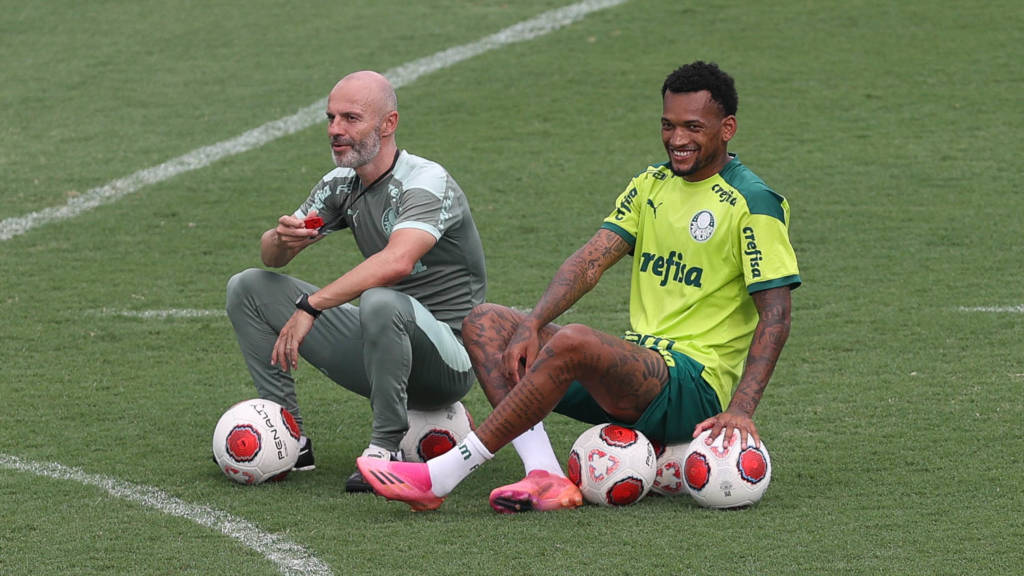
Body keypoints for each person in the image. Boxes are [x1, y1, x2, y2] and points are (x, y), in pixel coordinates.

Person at [357, 61, 801, 512]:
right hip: (636, 373)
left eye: (693, 127)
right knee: (486, 323)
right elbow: (590, 262)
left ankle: (442, 476)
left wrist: (740, 408)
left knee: (575, 341)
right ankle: (544, 474)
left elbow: (776, 315)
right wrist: (532, 323)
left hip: (693, 387)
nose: (676, 139)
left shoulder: (753, 202)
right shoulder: (652, 184)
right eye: (668, 125)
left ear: (727, 129)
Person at [225, 70, 487, 492]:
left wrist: (312, 305)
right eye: (331, 118)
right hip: (383, 349)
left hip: (449, 361)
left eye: (350, 118)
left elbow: (398, 261)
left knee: (380, 300)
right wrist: (281, 238)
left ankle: (386, 451)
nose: (335, 129)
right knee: (248, 288)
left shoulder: (426, 181)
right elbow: (271, 258)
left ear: (388, 124)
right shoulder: (341, 185)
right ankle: (288, 436)